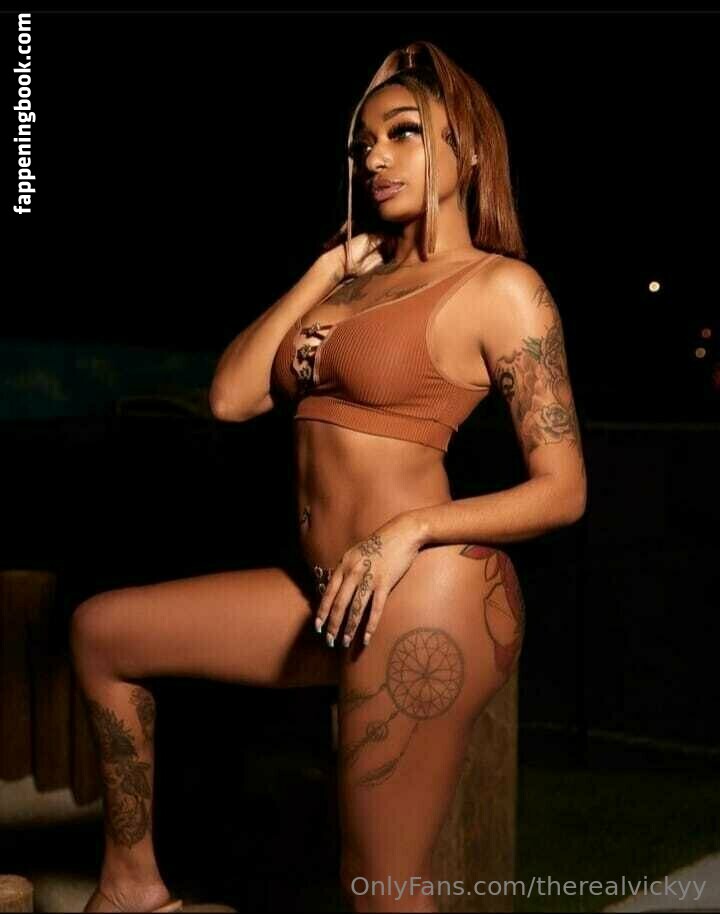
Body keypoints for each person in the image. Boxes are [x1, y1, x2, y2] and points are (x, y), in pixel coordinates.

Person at [70, 40, 587, 913]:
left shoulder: (501, 288)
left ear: (464, 149)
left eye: (404, 132)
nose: (375, 157)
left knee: (378, 887)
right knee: (102, 634)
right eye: (362, 143)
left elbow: (563, 489)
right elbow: (232, 396)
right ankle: (132, 886)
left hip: (420, 590)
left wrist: (408, 530)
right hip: (326, 594)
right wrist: (327, 268)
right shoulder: (349, 287)